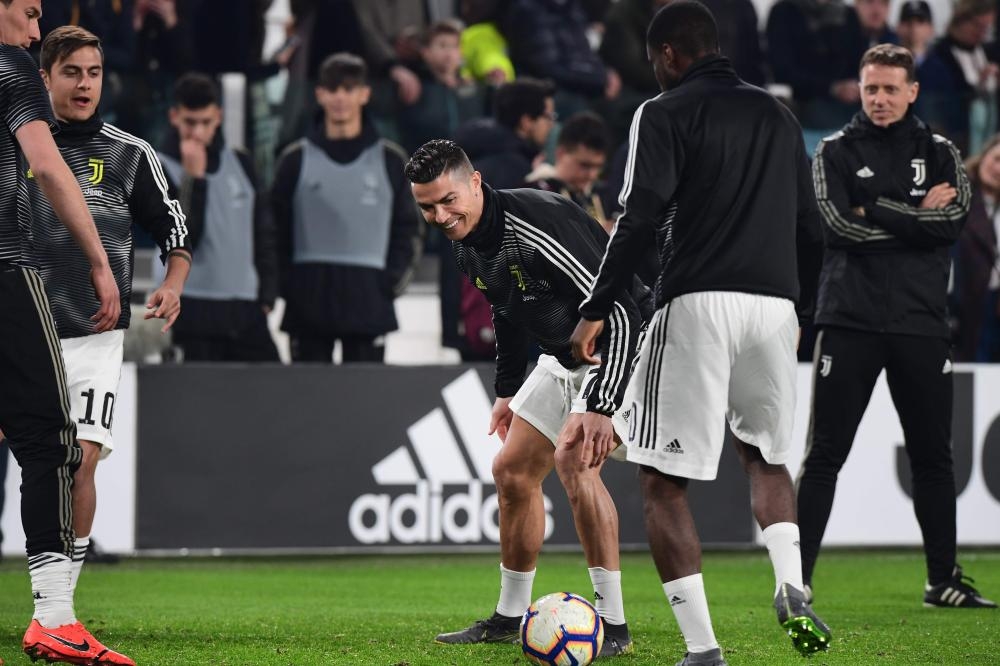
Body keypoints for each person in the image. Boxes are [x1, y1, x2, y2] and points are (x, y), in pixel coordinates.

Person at [568, 3, 830, 664]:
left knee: (661, 482)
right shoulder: (779, 115)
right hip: (775, 308)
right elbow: (811, 227)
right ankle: (792, 581)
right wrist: (799, 310)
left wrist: (596, 307)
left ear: (667, 55)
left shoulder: (661, 112)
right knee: (766, 459)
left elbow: (638, 215)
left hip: (698, 303)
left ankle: (703, 648)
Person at [406, 139, 649, 656]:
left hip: (626, 349)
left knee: (574, 461)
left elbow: (623, 310)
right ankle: (509, 615)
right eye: (426, 206)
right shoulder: (465, 240)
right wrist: (508, 391)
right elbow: (506, 306)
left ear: (475, 182)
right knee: (511, 470)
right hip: (564, 358)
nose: (440, 216)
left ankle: (615, 626)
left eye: (448, 200)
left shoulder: (538, 221)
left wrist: (601, 405)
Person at [800, 43, 996, 609]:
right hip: (849, 320)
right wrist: (916, 220)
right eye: (870, 89)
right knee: (825, 454)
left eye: (890, 88)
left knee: (934, 456)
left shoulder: (941, 152)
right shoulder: (833, 150)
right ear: (860, 90)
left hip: (920, 322)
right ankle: (798, 578)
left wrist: (876, 207)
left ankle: (942, 580)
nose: (879, 98)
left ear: (912, 92)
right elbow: (837, 227)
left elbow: (952, 222)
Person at [27, 22, 190, 598]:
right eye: (71, 72)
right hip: (22, 327)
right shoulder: (20, 146)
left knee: (81, 461)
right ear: (44, 77)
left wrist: (172, 283)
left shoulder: (128, 154)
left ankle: (58, 604)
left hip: (96, 334)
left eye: (93, 73)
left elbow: (173, 228)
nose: (84, 84)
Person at [0, 1, 131, 664]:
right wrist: (99, 261)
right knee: (51, 439)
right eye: (25, 12)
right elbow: (48, 167)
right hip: (3, 265)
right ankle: (54, 617)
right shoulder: (13, 70)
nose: (33, 28)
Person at [272, 52, 421, 363]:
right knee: (306, 403)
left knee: (366, 406)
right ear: (320, 94)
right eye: (333, 88)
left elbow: (408, 229)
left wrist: (389, 285)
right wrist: (289, 285)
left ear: (364, 94)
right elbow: (274, 230)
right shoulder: (294, 159)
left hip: (370, 302)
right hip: (307, 302)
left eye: (349, 88)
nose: (341, 97)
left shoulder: (392, 160)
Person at [158, 72, 281, 363]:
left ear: (219, 117)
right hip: (189, 307)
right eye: (190, 122)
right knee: (198, 403)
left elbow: (263, 232)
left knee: (274, 394)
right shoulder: (156, 168)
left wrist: (267, 295)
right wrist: (193, 178)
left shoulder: (241, 162)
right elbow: (184, 239)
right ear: (174, 117)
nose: (198, 132)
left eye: (206, 122)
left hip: (245, 308)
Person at [953, 134, 1000, 361]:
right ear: (983, 157)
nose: (999, 169)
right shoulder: (957, 196)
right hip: (966, 303)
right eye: (997, 159)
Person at [528, 111, 611, 232]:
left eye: (598, 167)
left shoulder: (601, 194)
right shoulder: (536, 194)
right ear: (561, 154)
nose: (592, 175)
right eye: (584, 165)